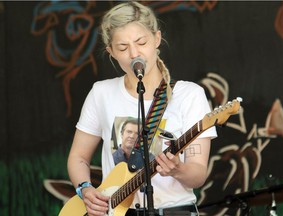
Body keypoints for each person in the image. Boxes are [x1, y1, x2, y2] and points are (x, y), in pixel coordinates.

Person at [67, 1, 217, 216]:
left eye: (141, 42)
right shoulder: (101, 93)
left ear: (157, 39)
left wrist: (178, 169)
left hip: (174, 211)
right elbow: (78, 157)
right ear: (111, 51)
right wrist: (84, 188)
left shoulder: (189, 95)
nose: (134, 53)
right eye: (123, 47)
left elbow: (198, 174)